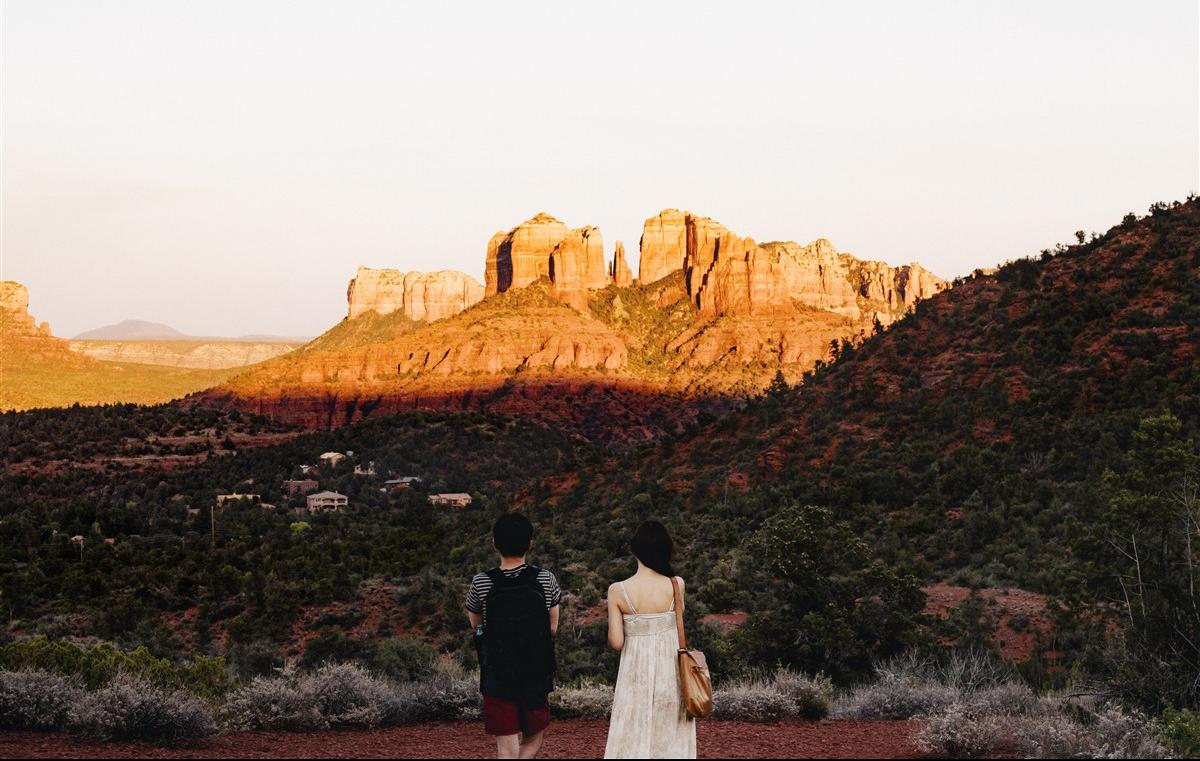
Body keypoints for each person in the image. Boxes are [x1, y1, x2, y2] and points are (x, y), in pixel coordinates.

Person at [466, 513, 561, 759]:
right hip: (536, 670)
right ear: (530, 543)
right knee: (534, 736)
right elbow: (552, 628)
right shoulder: (545, 579)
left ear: (494, 542)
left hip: (497, 673)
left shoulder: (481, 582)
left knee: (505, 744)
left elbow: (476, 625)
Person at [604, 520, 697, 759]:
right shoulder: (677, 585)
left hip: (635, 673)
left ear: (635, 550)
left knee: (633, 729)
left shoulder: (618, 590)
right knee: (669, 732)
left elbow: (616, 642)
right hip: (671, 672)